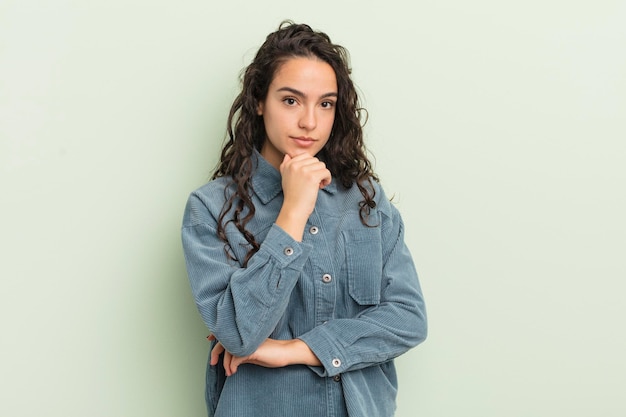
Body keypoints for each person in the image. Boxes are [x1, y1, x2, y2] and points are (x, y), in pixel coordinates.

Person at [181, 20, 427, 417]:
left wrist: (293, 351)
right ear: (259, 101)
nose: (310, 122)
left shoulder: (365, 200)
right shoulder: (210, 209)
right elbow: (240, 332)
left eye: (325, 103)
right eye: (291, 100)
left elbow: (409, 319)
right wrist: (293, 211)